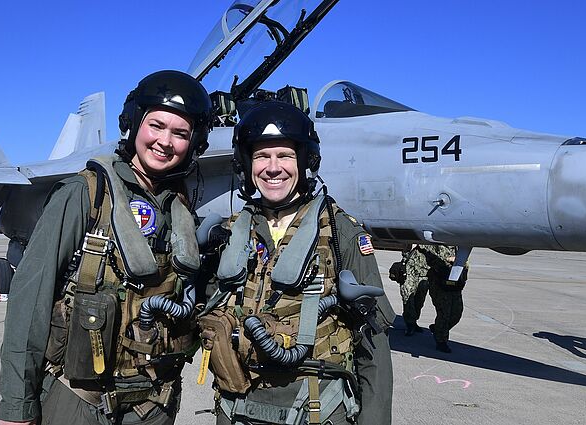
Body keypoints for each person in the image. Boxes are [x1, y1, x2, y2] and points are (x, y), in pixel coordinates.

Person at [0, 70, 213, 425]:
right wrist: (16, 406)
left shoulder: (179, 209)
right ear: (133, 124)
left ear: (194, 143)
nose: (165, 141)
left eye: (180, 133)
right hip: (80, 400)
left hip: (154, 404)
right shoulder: (86, 195)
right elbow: (30, 298)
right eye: (156, 126)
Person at [197, 101, 394, 425]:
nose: (273, 167)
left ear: (305, 161)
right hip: (237, 411)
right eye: (261, 156)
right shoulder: (231, 234)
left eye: (285, 155)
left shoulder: (340, 232)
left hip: (316, 409)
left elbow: (374, 342)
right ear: (246, 164)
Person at [424, 245, 466, 353]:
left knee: (457, 313)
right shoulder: (436, 241)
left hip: (455, 285)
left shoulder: (458, 245)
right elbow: (430, 259)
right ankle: (441, 341)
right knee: (444, 313)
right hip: (440, 284)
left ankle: (438, 328)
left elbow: (465, 262)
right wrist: (448, 260)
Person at [399, 245, 431, 336]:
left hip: (424, 272)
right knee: (408, 296)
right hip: (409, 271)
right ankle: (410, 324)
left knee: (419, 300)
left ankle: (414, 320)